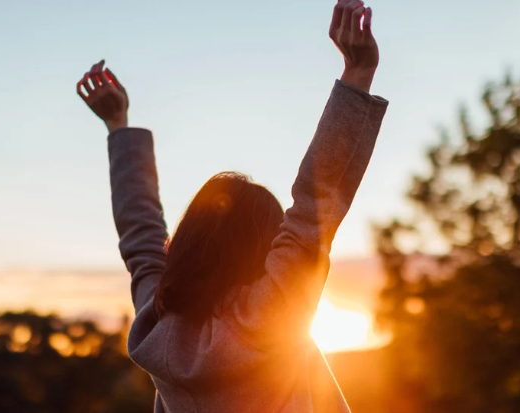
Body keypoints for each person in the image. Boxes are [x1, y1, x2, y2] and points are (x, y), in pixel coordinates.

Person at [76, 1, 387, 411]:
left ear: (186, 244)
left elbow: (142, 239)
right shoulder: (271, 314)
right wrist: (357, 74)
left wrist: (119, 126)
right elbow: (314, 207)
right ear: (263, 251)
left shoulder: (155, 323)